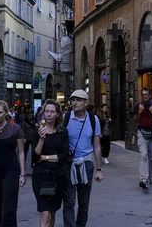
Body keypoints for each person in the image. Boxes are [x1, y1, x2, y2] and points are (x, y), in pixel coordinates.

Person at [62, 89, 103, 227]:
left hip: (86, 164)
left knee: (83, 203)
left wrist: (99, 168)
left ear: (86, 103)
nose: (74, 103)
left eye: (78, 100)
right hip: (69, 164)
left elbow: (97, 145)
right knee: (69, 202)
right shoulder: (66, 118)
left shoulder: (93, 119)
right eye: (73, 100)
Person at [31, 99, 69, 227]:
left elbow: (64, 156)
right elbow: (35, 157)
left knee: (52, 213)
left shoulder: (62, 132)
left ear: (57, 114)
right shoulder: (37, 132)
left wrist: (45, 157)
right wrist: (42, 139)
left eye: (52, 111)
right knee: (45, 214)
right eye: (46, 111)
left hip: (58, 176)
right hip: (41, 177)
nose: (49, 114)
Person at [133, 88, 152, 189]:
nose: (145, 96)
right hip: (142, 133)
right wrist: (140, 112)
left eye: (147, 94)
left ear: (150, 95)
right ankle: (144, 179)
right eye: (143, 94)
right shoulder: (138, 105)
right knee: (143, 156)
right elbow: (135, 120)